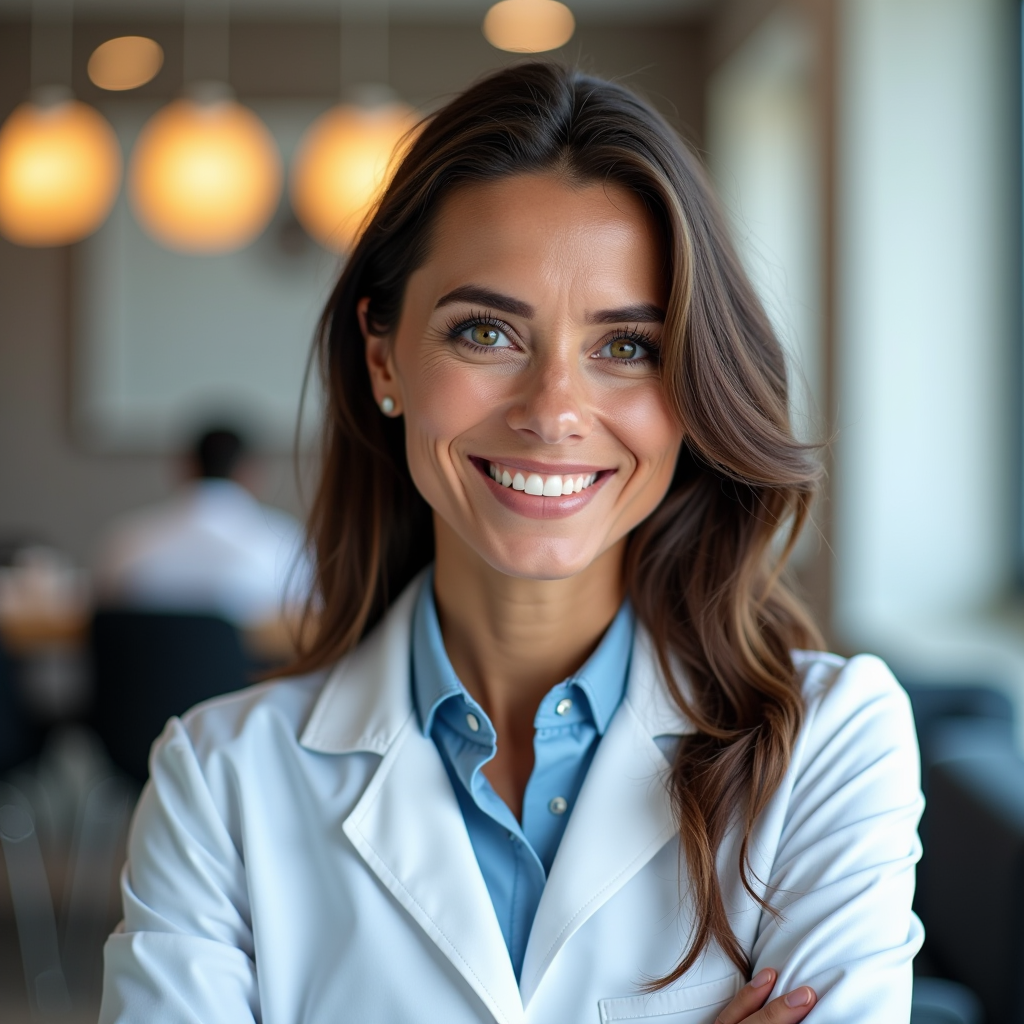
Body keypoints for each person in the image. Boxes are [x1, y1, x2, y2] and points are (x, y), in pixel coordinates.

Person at [99, 65, 922, 1024]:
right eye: (486, 331)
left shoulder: (830, 743)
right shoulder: (217, 779)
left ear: (691, 387)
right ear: (383, 359)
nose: (554, 413)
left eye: (627, 347)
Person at [94, 427, 310, 628]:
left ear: (187, 467)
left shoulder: (125, 537)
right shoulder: (285, 540)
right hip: (249, 669)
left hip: (140, 668)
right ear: (249, 472)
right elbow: (309, 620)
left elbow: (99, 604)